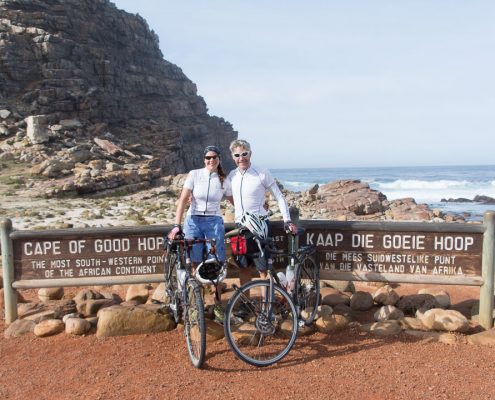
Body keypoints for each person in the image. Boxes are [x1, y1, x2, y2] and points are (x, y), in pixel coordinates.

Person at [168, 145, 231, 323]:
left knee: (216, 264)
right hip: (193, 221)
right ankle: (197, 304)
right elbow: (182, 199)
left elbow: (235, 201)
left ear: (219, 159)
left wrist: (257, 209)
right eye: (208, 158)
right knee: (195, 263)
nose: (211, 160)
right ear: (204, 159)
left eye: (214, 157)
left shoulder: (224, 179)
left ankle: (218, 305)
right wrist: (176, 225)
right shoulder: (194, 174)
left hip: (214, 222)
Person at [227, 139, 297, 287]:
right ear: (233, 157)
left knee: (263, 269)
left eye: (244, 154)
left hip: (260, 226)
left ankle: (267, 307)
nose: (241, 158)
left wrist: (287, 220)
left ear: (250, 154)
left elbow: (279, 196)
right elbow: (222, 194)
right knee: (243, 267)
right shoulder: (232, 176)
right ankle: (245, 307)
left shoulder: (261, 172)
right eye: (237, 155)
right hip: (240, 227)